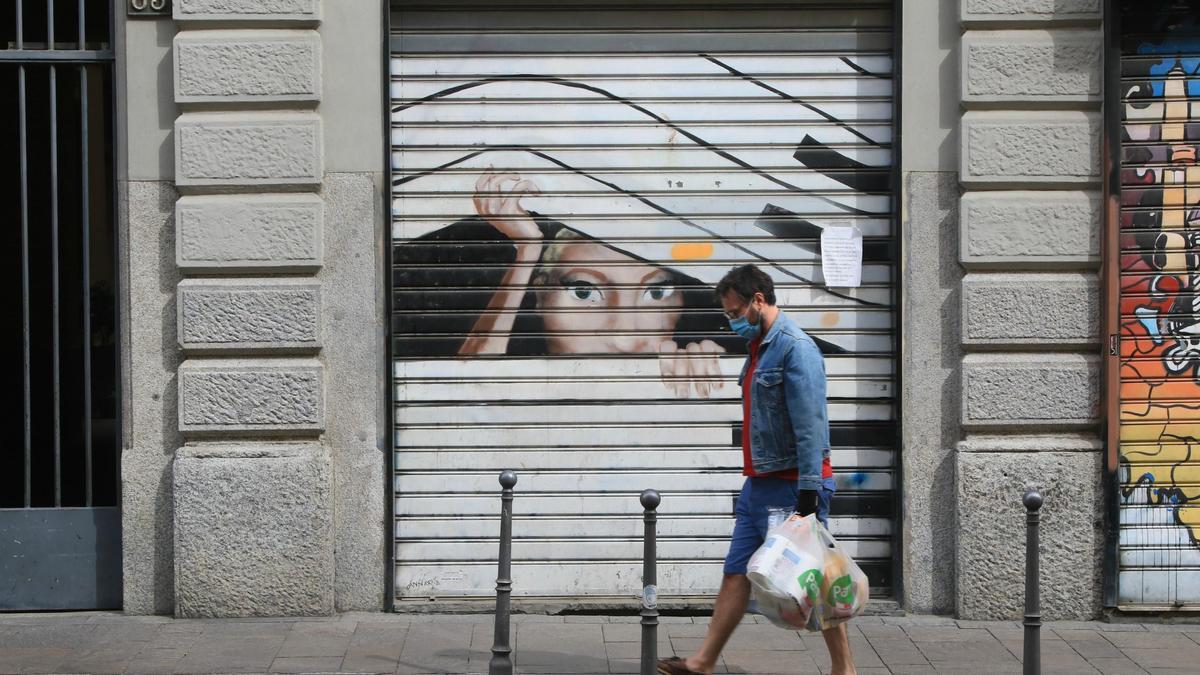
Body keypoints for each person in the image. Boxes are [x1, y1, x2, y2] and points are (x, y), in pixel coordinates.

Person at [657, 264, 854, 675]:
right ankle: (703, 662)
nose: (732, 322)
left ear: (758, 301)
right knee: (735, 573)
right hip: (759, 485)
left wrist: (808, 495)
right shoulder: (761, 346)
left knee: (813, 580)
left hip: (789, 486)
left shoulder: (795, 348)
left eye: (734, 312)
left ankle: (844, 668)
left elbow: (811, 425)